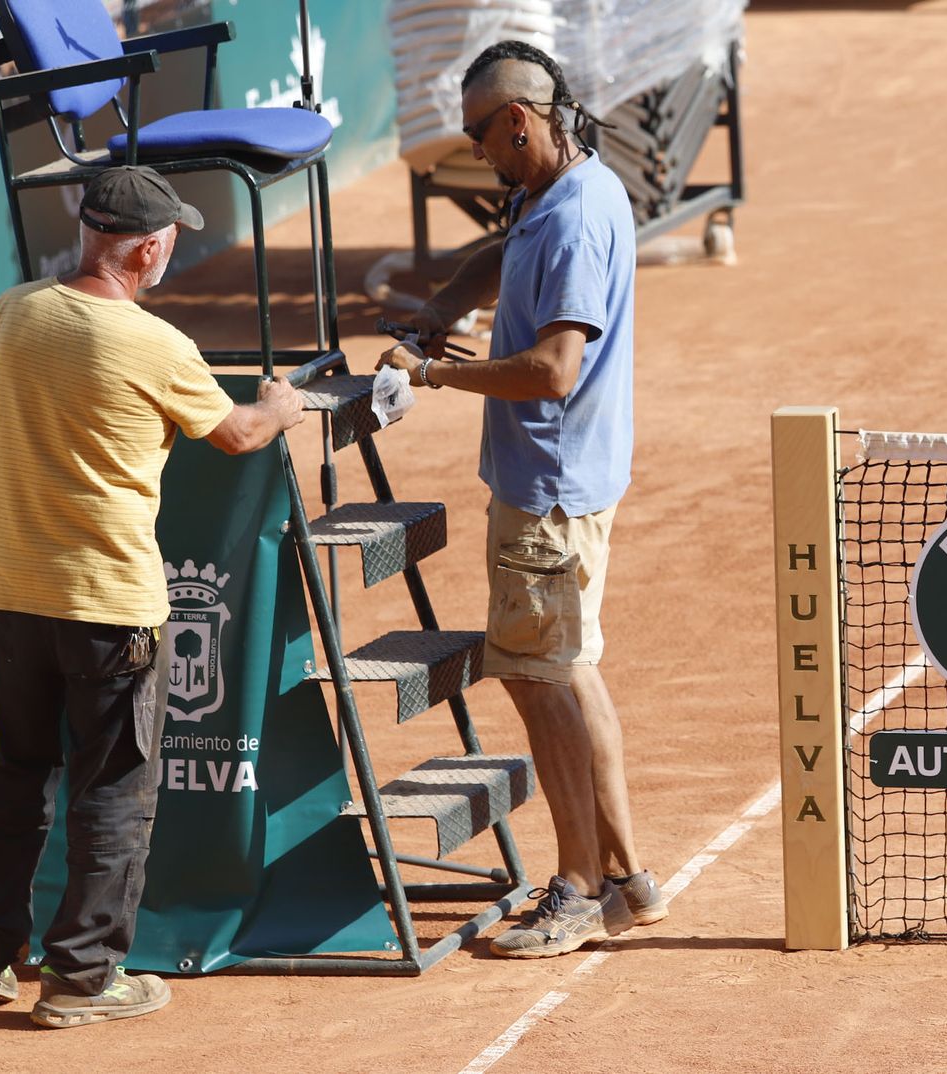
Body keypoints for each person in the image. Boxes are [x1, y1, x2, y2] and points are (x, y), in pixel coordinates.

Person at [0, 166, 305, 1026]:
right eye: (170, 236)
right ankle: (82, 977)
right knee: (113, 788)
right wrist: (282, 404)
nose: (171, 246)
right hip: (109, 609)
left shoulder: (16, 309)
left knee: (7, 774)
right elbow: (238, 435)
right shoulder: (157, 344)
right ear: (144, 248)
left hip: (12, 600)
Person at [376, 40, 665, 959]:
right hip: (569, 485)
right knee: (572, 672)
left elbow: (551, 369)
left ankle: (579, 887)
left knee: (545, 689)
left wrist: (432, 372)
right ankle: (630, 878)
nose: (477, 155)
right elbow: (507, 251)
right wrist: (439, 303)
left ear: (519, 121)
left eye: (480, 137)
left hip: (546, 495)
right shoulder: (574, 188)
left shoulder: (575, 222)